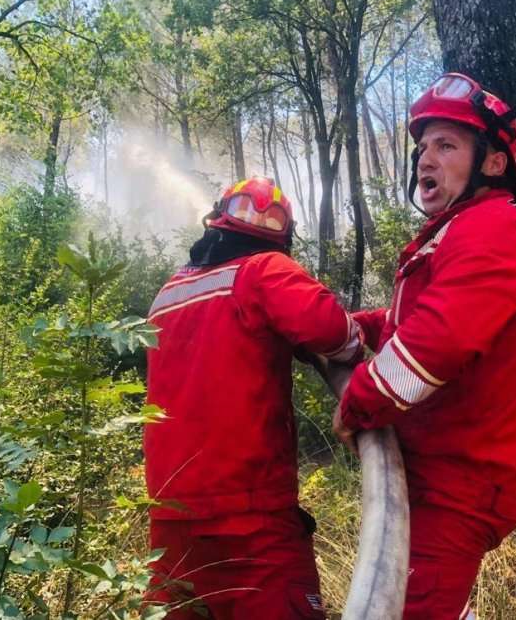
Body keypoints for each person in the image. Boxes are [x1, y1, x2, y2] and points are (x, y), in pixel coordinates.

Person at [333, 73, 516, 619]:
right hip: (437, 467)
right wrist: (354, 329)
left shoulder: (494, 227)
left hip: (462, 478)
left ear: (493, 163)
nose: (424, 160)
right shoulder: (459, 230)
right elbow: (417, 320)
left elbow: (438, 343)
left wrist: (357, 403)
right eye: (422, 147)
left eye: (446, 145)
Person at [144, 177, 362, 619]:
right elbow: (331, 331)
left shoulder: (166, 294)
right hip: (249, 518)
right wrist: (355, 338)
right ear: (283, 238)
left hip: (170, 521)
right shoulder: (264, 269)